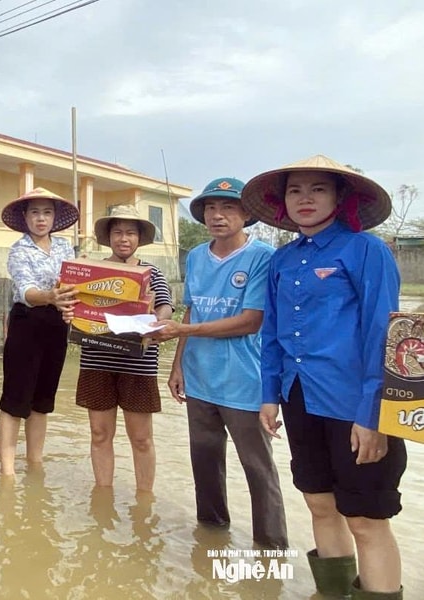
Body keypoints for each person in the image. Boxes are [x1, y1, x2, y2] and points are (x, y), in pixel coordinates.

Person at [243, 156, 406, 599]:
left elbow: (383, 333)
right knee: (318, 503)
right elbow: (272, 332)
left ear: (340, 197)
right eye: (295, 190)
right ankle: (331, 593)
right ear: (283, 202)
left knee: (367, 520)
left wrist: (373, 416)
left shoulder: (366, 250)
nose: (306, 198)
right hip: (299, 397)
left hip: (355, 402)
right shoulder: (282, 259)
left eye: (318, 188)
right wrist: (269, 395)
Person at [153, 177, 288, 549]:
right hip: (199, 378)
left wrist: (184, 329)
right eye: (210, 208)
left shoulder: (262, 256)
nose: (217, 215)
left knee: (258, 468)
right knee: (205, 462)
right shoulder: (197, 256)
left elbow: (250, 321)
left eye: (228, 207)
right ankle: (210, 540)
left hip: (244, 380)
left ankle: (271, 548)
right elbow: (191, 309)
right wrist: (178, 365)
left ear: (247, 214)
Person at [75, 205, 173, 491]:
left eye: (130, 232)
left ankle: (144, 497)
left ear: (139, 238)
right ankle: (103, 495)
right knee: (99, 433)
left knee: (141, 438)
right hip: (96, 360)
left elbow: (166, 307)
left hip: (138, 363)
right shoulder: (91, 272)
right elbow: (75, 306)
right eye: (117, 232)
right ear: (108, 237)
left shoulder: (152, 272)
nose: (123, 238)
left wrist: (157, 321)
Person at [0, 187, 79, 476]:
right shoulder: (19, 250)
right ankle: (7, 473)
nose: (41, 219)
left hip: (57, 326)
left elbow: (73, 284)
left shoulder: (65, 248)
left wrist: (69, 305)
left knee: (42, 401)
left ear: (55, 217)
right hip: (27, 323)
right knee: (15, 399)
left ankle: (35, 464)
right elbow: (26, 290)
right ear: (25, 217)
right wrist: (50, 297)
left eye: (46, 212)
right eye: (34, 212)